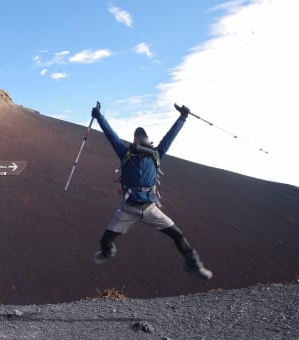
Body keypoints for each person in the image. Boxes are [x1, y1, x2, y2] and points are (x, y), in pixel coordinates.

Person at [91, 102, 212, 280]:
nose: (137, 141)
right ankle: (108, 252)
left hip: (150, 208)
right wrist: (99, 117)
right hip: (128, 209)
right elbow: (111, 136)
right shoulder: (126, 154)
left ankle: (194, 264)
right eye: (136, 139)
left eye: (140, 138)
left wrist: (183, 117)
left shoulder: (156, 155)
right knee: (105, 241)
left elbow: (170, 137)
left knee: (177, 234)